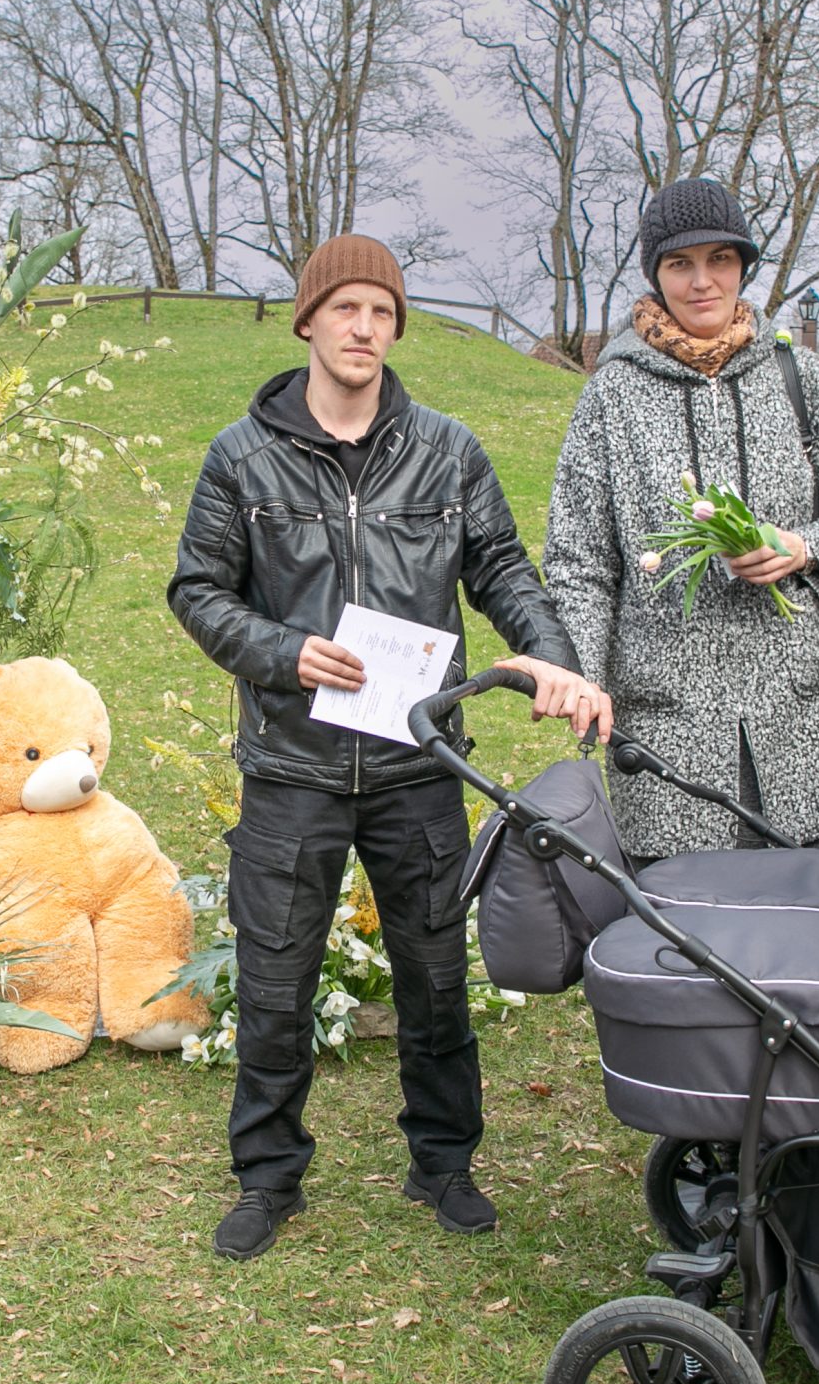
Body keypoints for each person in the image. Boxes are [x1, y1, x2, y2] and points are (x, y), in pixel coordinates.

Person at [168, 233, 613, 1262]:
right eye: (346, 308)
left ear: (395, 327)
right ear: (309, 321)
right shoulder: (242, 457)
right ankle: (268, 1177)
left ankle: (444, 1163)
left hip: (419, 766)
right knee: (274, 982)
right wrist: (283, 653)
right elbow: (197, 589)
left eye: (382, 312)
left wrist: (553, 663)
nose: (364, 328)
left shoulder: (447, 451)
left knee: (435, 974)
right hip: (293, 768)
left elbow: (503, 570)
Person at [542, 177, 819, 863]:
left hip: (806, 726)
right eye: (680, 263)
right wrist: (579, 675)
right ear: (656, 274)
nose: (702, 281)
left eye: (720, 259)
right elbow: (579, 560)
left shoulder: (796, 375)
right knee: (685, 925)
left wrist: (802, 547)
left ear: (742, 266)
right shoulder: (612, 395)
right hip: (670, 738)